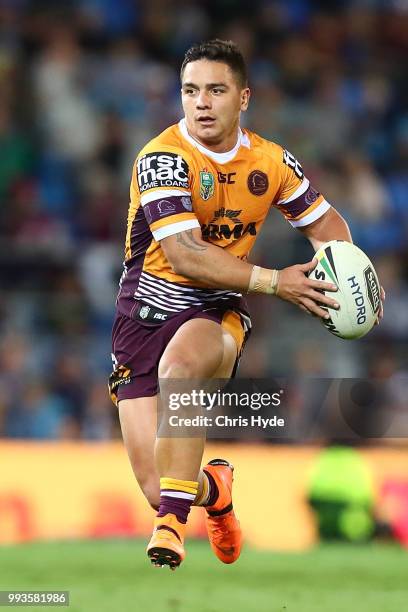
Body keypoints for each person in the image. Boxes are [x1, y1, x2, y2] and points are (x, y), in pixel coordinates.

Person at [109, 39, 384, 570]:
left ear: (244, 98)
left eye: (216, 90)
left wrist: (343, 277)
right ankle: (214, 488)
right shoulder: (161, 159)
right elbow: (186, 255)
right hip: (139, 321)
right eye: (190, 91)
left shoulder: (271, 162)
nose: (201, 103)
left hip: (215, 312)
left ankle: (170, 528)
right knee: (159, 484)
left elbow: (326, 225)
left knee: (182, 365)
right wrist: (278, 282)